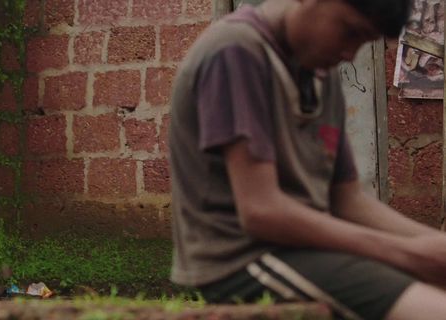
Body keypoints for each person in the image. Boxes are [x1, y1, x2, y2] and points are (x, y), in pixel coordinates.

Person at [168, 0, 446, 318]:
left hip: (312, 251)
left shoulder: (319, 72)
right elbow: (261, 211)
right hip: (244, 258)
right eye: (350, 32)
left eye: (362, 42)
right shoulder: (236, 53)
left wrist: (432, 244)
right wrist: (409, 254)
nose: (349, 54)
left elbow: (347, 201)